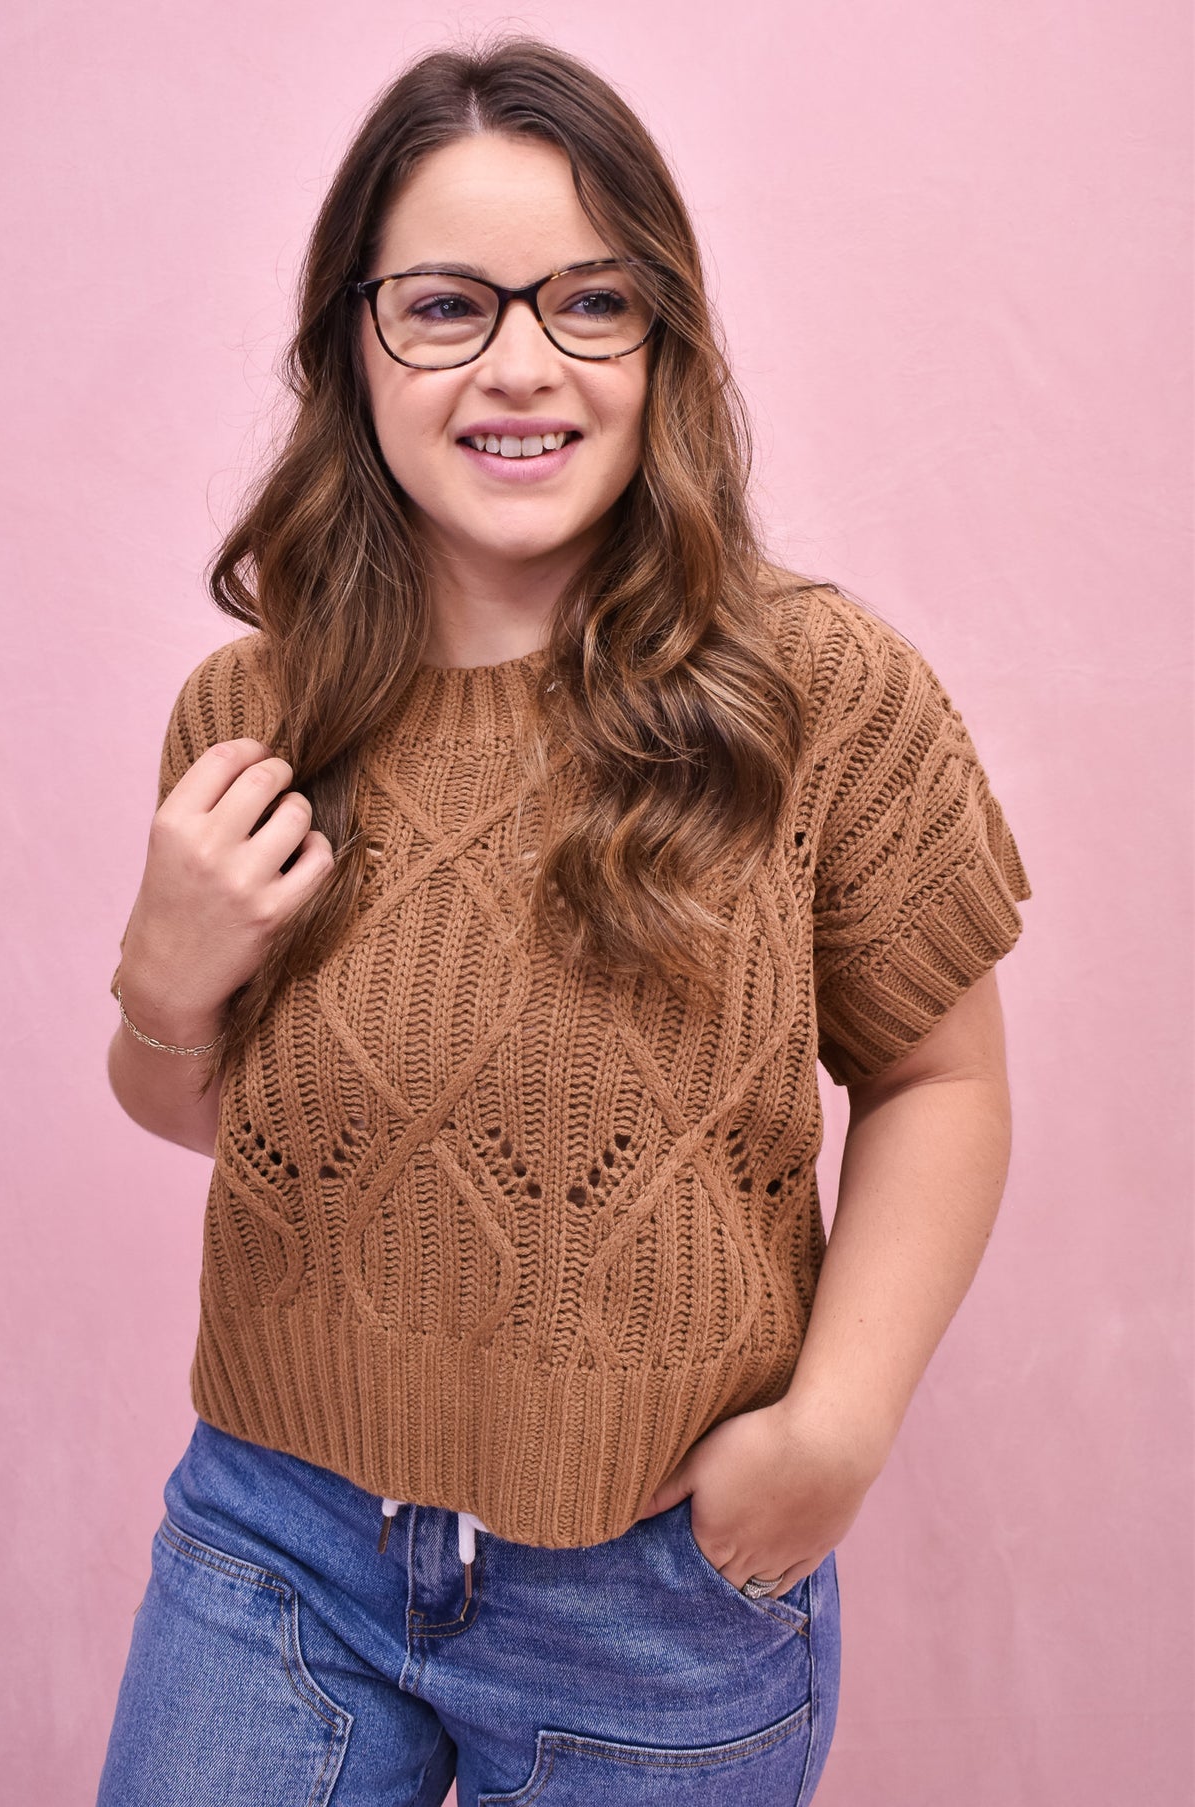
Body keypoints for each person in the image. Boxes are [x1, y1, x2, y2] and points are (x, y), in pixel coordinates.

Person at [95, 35, 1032, 1807]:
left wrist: (835, 1430)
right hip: (273, 1544)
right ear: (351, 345)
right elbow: (223, 1117)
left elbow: (940, 1083)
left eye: (588, 301)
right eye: (447, 304)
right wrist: (160, 991)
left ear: (660, 342)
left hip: (653, 1597)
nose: (520, 364)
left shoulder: (816, 693)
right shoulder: (250, 716)